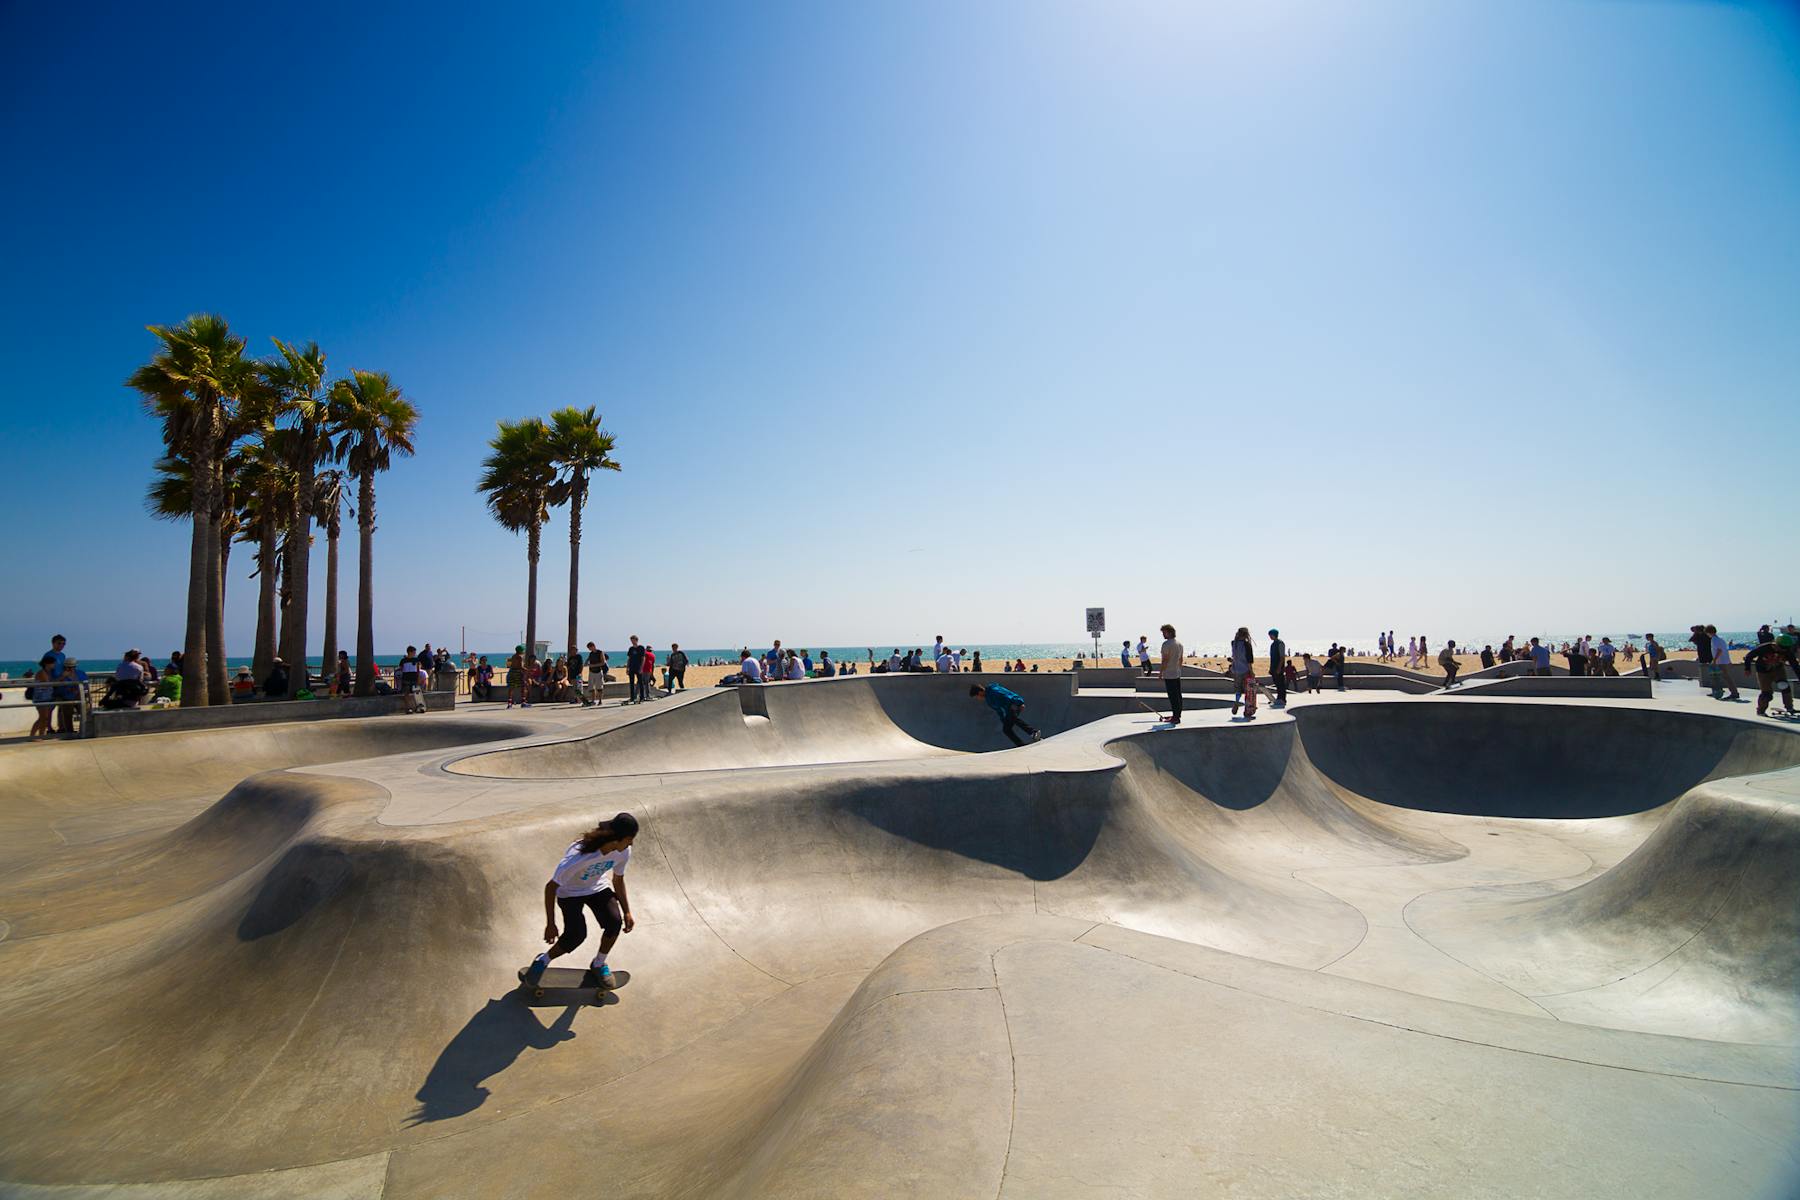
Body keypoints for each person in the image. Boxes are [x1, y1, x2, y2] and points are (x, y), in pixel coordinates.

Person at [519, 812, 639, 992]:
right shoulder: (579, 856)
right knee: (576, 936)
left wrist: (627, 911)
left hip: (596, 888)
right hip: (570, 892)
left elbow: (618, 880)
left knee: (614, 921)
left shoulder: (622, 852)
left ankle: (598, 964)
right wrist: (550, 924)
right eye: (630, 839)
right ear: (617, 838)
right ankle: (542, 960)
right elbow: (550, 887)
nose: (631, 843)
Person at [969, 682, 1041, 746]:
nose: (978, 699)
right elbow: (999, 710)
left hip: (1013, 704)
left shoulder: (993, 690)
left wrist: (1019, 703)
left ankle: (1033, 732)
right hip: (1009, 709)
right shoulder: (988, 699)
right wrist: (1004, 720)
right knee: (1006, 729)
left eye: (977, 697)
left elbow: (1007, 695)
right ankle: (1021, 745)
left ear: (979, 692)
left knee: (1012, 718)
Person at [1742, 635, 1797, 717]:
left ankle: (1789, 707)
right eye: (1781, 648)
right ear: (1776, 644)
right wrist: (1747, 669)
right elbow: (1749, 656)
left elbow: (1794, 665)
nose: (1782, 650)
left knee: (1784, 686)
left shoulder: (1787, 651)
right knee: (1767, 693)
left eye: (1785, 648)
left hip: (1778, 670)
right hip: (1763, 672)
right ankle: (1761, 710)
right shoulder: (1764, 648)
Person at [1706, 624, 1741, 701]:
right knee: (1723, 677)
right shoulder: (1720, 639)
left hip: (1721, 661)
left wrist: (1714, 660)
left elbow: (1719, 650)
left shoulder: (1714, 640)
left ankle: (1734, 693)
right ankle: (1723, 691)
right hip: (1724, 660)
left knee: (1726, 677)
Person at [1159, 624, 1185, 725]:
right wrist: (1178, 669)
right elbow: (1181, 659)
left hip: (1169, 673)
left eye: (1164, 632)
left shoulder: (1166, 644)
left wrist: (1161, 673)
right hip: (1176, 673)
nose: (1163, 635)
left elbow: (1165, 660)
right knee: (1178, 695)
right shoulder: (1179, 644)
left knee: (1172, 696)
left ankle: (1175, 717)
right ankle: (1177, 715)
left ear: (1169, 632)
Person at [28, 654, 58, 739]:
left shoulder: (49, 672)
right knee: (42, 717)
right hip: (40, 699)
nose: (54, 665)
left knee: (46, 718)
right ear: (47, 664)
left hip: (47, 698)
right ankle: (32, 735)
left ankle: (41, 735)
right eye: (53, 663)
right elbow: (48, 683)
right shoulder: (41, 673)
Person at [1229, 627, 1253, 717]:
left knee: (1238, 690)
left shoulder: (1233, 643)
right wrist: (1252, 672)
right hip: (1246, 670)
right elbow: (1249, 660)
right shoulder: (1247, 645)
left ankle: (1236, 702)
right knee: (1248, 691)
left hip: (1236, 670)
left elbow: (1235, 657)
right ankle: (1247, 709)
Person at [398, 646, 426, 712]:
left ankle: (419, 707)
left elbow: (418, 669)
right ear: (409, 652)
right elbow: (401, 669)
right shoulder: (403, 660)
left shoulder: (416, 660)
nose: (415, 653)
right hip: (406, 679)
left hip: (415, 679)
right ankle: (408, 708)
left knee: (417, 693)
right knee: (406, 694)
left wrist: (419, 678)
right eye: (414, 652)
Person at [1267, 629, 1287, 708]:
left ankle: (1282, 699)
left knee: (1280, 683)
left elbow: (1282, 657)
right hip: (1273, 666)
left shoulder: (1280, 643)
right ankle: (1279, 698)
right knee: (1276, 683)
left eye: (1270, 635)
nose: (1270, 637)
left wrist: (1279, 667)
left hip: (1278, 667)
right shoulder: (1273, 644)